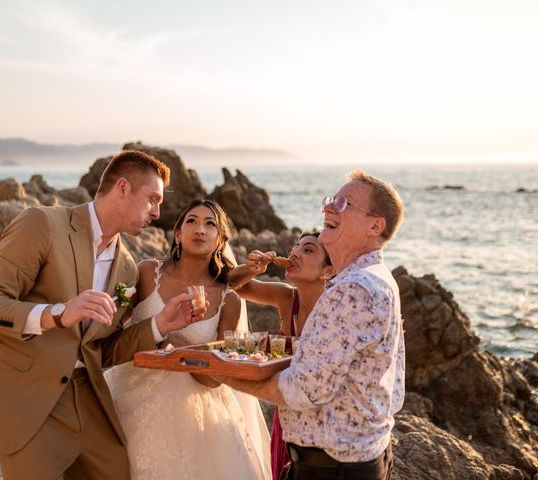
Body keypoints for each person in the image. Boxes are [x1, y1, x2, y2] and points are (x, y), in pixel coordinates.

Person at [0, 150, 208, 480]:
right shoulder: (42, 224)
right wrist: (58, 314)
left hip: (89, 399)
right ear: (122, 188)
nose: (157, 212)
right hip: (30, 399)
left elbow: (102, 350)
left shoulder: (127, 269)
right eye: (152, 199)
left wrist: (161, 325)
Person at [214, 170, 405, 480]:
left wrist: (215, 371)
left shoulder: (352, 289)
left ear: (375, 225)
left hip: (335, 469)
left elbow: (303, 390)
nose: (329, 207)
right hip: (356, 458)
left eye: (345, 203)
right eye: (330, 200)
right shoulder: (377, 279)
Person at [105, 198, 272, 479]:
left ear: (220, 240)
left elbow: (214, 379)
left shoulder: (228, 301)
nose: (200, 229)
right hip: (127, 399)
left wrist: (181, 347)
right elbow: (111, 334)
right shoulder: (147, 273)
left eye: (210, 224)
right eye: (191, 221)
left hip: (193, 418)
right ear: (178, 234)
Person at [228, 231, 334, 480]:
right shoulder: (286, 297)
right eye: (296, 247)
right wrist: (253, 268)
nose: (295, 252)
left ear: (328, 270)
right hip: (285, 415)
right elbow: (235, 286)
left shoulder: (335, 309)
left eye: (308, 250)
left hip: (322, 426)